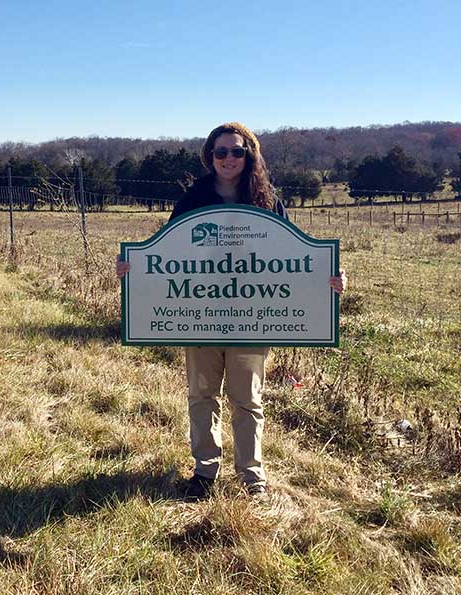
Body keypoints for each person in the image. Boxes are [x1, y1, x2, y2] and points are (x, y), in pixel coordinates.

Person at [116, 122, 346, 501]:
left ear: (248, 154)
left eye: (236, 151)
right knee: (202, 395)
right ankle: (205, 472)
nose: (228, 158)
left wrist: (331, 276)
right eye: (220, 152)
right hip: (200, 316)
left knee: (247, 399)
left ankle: (251, 477)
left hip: (252, 319)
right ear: (210, 155)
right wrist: (132, 268)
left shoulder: (267, 201)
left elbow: (295, 256)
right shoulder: (194, 199)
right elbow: (167, 253)